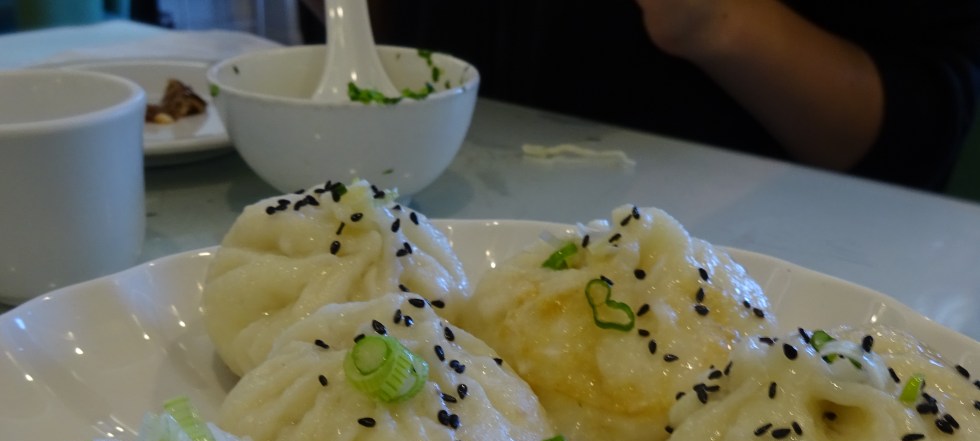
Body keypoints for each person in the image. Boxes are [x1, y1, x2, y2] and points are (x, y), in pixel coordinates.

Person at [299, 0, 980, 192]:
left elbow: (916, 136)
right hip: (444, 204)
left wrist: (718, 21)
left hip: (791, 257)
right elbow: (390, 44)